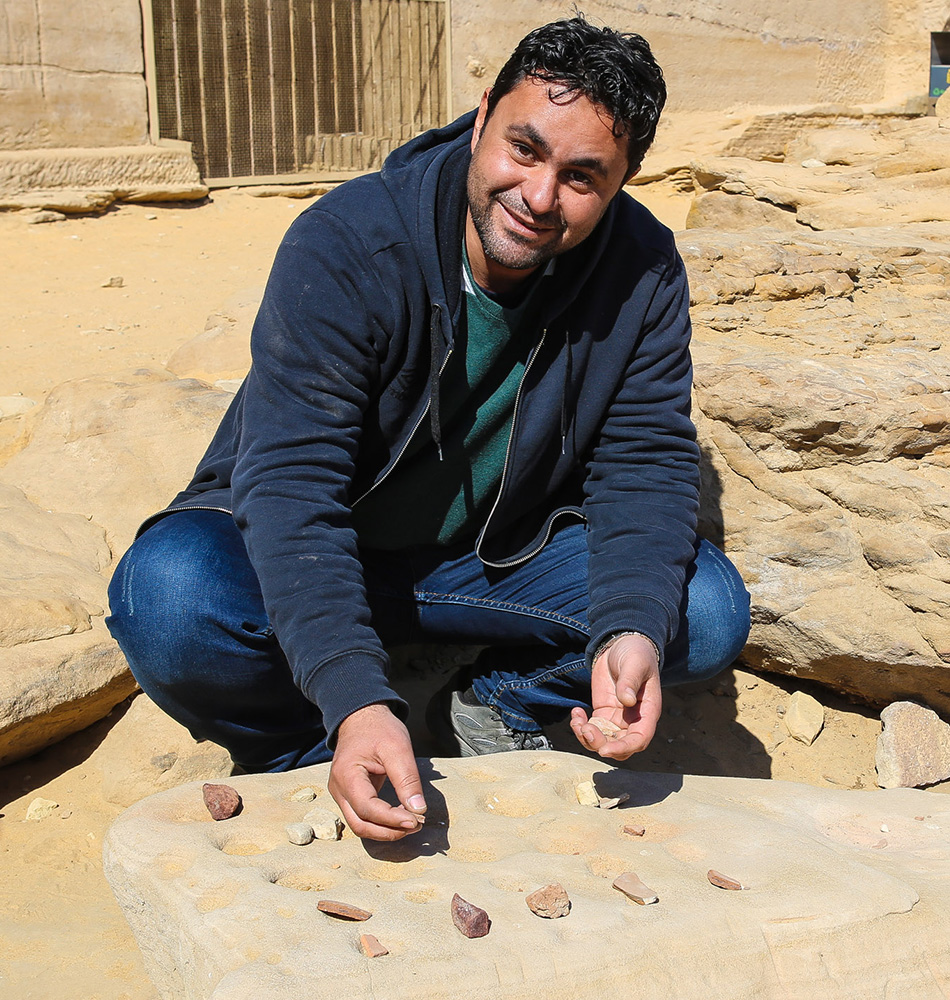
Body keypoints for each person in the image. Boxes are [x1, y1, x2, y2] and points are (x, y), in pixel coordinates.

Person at [107, 17, 750, 842]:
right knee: (168, 597)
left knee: (698, 612)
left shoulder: (643, 271)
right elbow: (291, 486)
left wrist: (627, 625)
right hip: (305, 552)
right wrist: (352, 699)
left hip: (489, 564)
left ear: (624, 181)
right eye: (524, 149)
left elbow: (645, 460)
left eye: (584, 177)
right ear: (482, 117)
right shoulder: (350, 242)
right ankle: (307, 751)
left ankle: (493, 705)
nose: (540, 197)